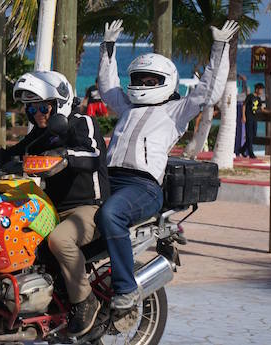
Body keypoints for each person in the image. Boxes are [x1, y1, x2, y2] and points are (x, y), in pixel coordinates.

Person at [96, 19, 239, 310]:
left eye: (152, 81)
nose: (144, 85)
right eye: (140, 79)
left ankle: (125, 288)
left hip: (143, 187)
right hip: (109, 180)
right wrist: (107, 48)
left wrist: (220, 47)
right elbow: (108, 86)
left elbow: (209, 91)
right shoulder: (126, 106)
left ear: (166, 82)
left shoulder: (176, 110)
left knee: (111, 215)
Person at [0, 71, 110, 337]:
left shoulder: (81, 122)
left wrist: (64, 156)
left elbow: (93, 155)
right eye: (31, 109)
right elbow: (10, 156)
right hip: (51, 208)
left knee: (59, 240)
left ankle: (85, 300)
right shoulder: (41, 133)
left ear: (58, 102)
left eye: (42, 107)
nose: (36, 113)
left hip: (88, 207)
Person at [240, 83, 267, 159]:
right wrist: (243, 116)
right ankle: (251, 153)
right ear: (257, 89)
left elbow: (262, 109)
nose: (262, 91)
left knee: (253, 135)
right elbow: (244, 105)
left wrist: (270, 112)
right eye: (261, 89)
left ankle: (242, 149)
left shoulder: (258, 98)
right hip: (248, 118)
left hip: (254, 118)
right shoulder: (250, 96)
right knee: (249, 135)